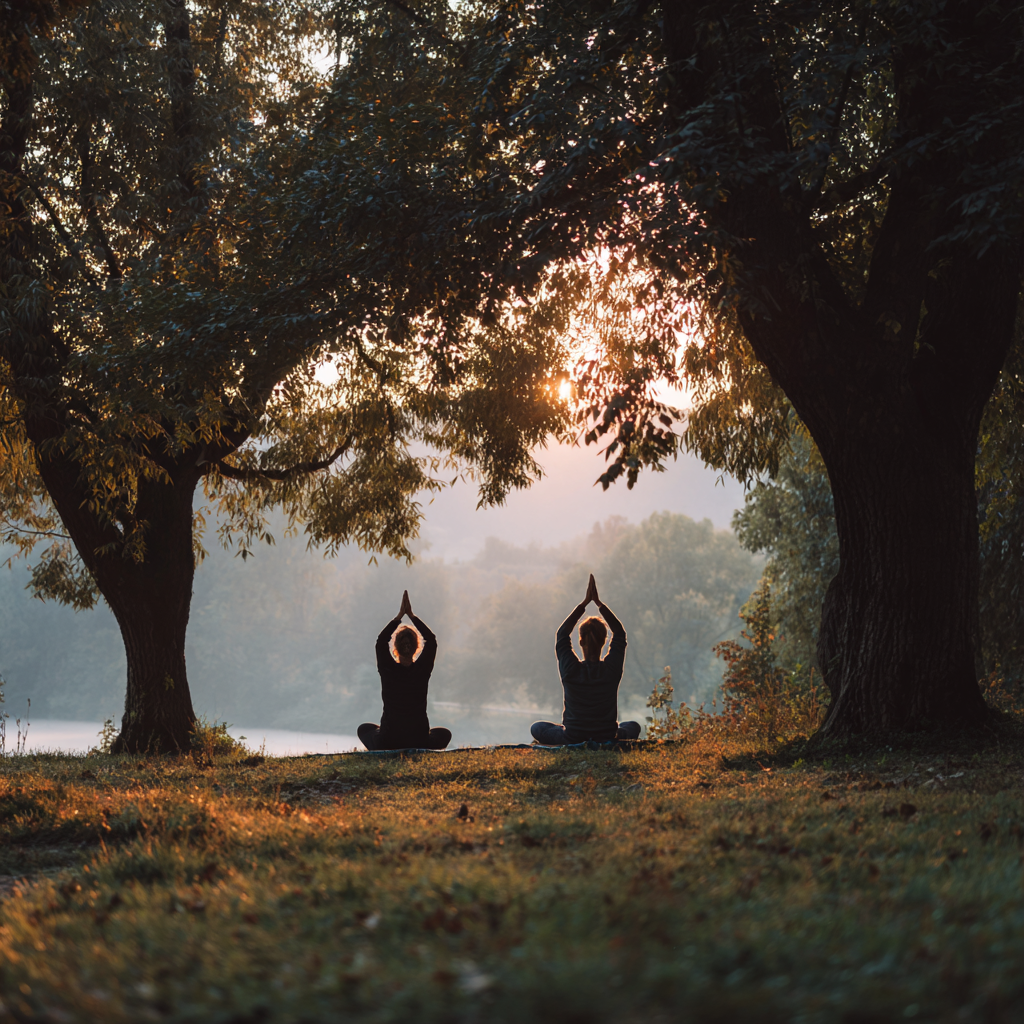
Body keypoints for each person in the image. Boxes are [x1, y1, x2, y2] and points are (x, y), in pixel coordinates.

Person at [530, 574, 642, 745]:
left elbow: (561, 635)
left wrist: (583, 604)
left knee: (537, 728)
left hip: (573, 737)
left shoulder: (570, 669)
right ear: (605, 641)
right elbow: (620, 633)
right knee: (633, 726)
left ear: (580, 641)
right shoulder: (611, 669)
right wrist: (599, 604)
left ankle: (571, 732)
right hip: (606, 736)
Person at [357, 591, 452, 751]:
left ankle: (384, 740)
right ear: (416, 648)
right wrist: (412, 616)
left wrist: (399, 617)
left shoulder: (387, 669)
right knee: (444, 734)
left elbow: (381, 641)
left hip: (389, 740)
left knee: (365, 729)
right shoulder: (423, 669)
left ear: (395, 648)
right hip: (419, 739)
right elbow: (431, 640)